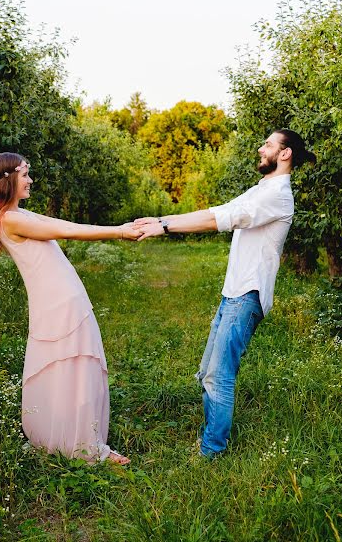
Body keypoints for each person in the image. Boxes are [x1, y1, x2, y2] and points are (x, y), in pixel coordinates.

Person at [134, 129, 316, 458]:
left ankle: (211, 452)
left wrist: (163, 228)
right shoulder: (264, 188)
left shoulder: (277, 195)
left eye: (269, 145)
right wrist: (163, 219)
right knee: (208, 373)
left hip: (247, 297)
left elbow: (221, 219)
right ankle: (211, 442)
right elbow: (216, 209)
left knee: (218, 377)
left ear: (285, 154)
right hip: (233, 294)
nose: (261, 149)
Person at [0, 152, 140, 464]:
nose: (30, 180)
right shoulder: (12, 220)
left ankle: (71, 439)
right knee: (73, 369)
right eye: (25, 174)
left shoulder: (18, 215)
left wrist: (120, 228)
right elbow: (68, 230)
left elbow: (61, 223)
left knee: (67, 369)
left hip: (61, 301)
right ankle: (84, 447)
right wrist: (119, 231)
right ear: (10, 178)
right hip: (60, 303)